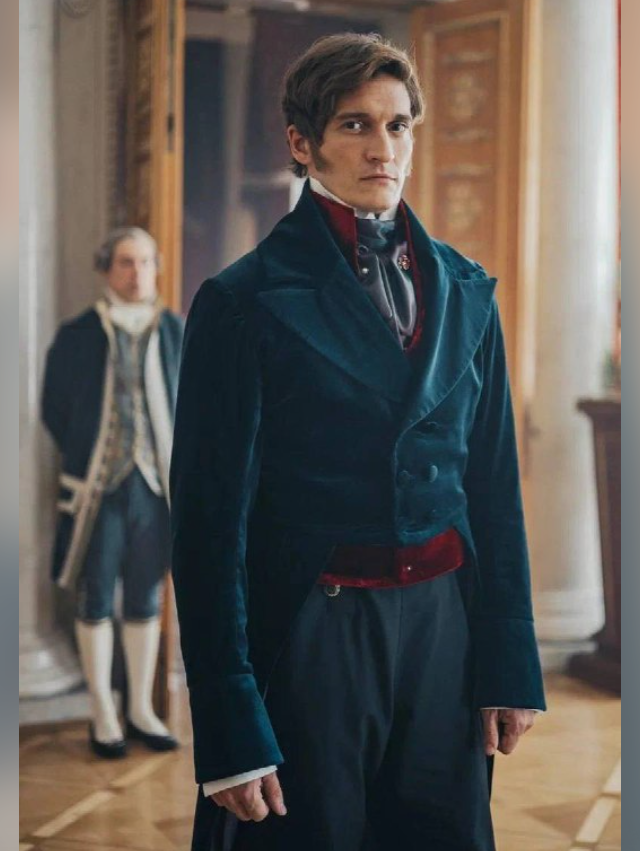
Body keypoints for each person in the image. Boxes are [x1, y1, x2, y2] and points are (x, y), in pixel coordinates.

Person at [171, 33, 546, 851]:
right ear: (302, 143)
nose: (384, 147)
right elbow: (206, 528)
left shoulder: (469, 291)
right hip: (314, 630)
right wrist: (228, 724)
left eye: (398, 124)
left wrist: (509, 660)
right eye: (355, 124)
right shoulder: (242, 301)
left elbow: (494, 487)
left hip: (445, 629)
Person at [42, 227, 184, 759]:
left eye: (146, 262)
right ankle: (103, 711)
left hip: (156, 488)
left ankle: (141, 708)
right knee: (96, 595)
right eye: (126, 262)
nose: (137, 273)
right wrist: (90, 451)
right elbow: (55, 407)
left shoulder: (175, 331)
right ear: (106, 269)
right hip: (98, 490)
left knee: (147, 597)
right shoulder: (78, 335)